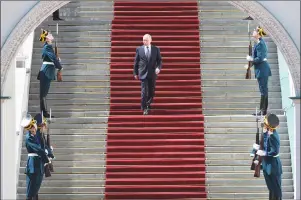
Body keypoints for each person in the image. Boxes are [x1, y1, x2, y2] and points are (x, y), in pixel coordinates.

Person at [21, 114, 51, 200]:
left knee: (35, 190)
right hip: (33, 166)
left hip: (38, 165)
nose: (34, 129)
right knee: (30, 192)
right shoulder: (29, 138)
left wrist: (49, 154)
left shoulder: (36, 136)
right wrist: (47, 159)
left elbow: (43, 146)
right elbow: (39, 150)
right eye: (32, 128)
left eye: (34, 127)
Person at [253, 113, 282, 200]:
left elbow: (275, 151)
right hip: (266, 166)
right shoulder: (266, 134)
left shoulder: (273, 136)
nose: (263, 125)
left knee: (276, 192)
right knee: (271, 190)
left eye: (265, 124)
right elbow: (262, 145)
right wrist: (256, 149)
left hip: (273, 167)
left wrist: (264, 153)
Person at [133, 34, 162, 115]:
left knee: (151, 92)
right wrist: (135, 72)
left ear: (150, 40)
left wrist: (158, 68)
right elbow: (136, 61)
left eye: (146, 40)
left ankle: (148, 104)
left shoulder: (156, 49)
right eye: (143, 40)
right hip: (143, 73)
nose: (144, 42)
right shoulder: (139, 49)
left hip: (152, 73)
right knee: (144, 91)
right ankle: (144, 107)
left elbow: (159, 61)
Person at [246, 26, 272, 116]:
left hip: (262, 70)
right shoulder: (258, 43)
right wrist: (250, 64)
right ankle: (263, 111)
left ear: (258, 34)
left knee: (263, 90)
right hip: (260, 69)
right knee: (263, 90)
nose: (253, 31)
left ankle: (262, 111)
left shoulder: (261, 44)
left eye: (254, 31)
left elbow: (260, 58)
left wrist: (251, 59)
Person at [38, 29, 63, 118]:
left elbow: (53, 58)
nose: (51, 35)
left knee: (44, 93)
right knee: (43, 93)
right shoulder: (47, 47)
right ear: (46, 39)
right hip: (46, 71)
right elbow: (52, 58)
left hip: (48, 71)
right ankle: (44, 113)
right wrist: (59, 66)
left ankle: (44, 112)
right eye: (49, 34)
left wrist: (57, 60)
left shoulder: (48, 47)